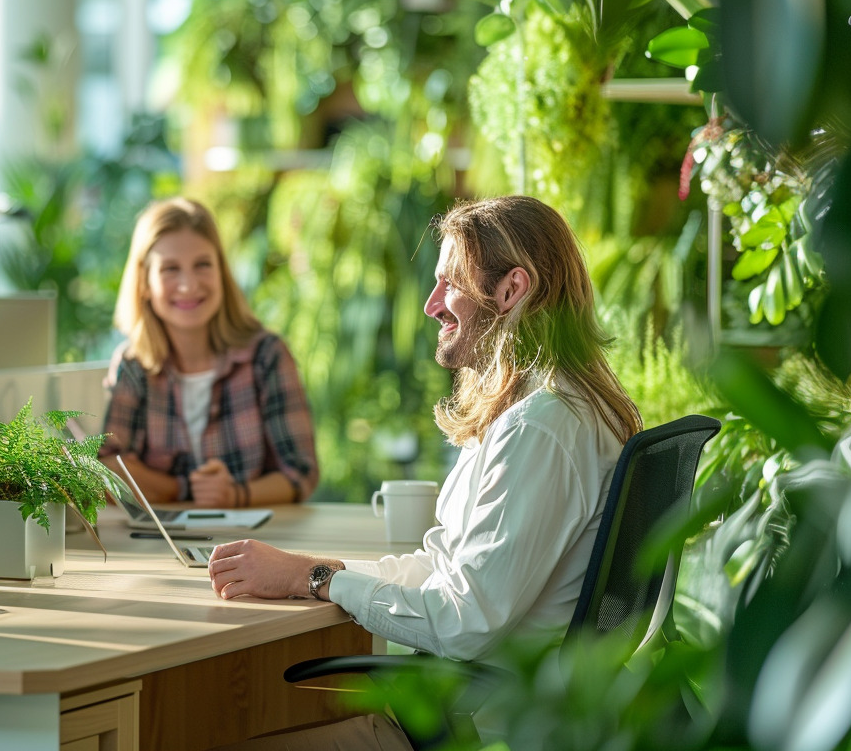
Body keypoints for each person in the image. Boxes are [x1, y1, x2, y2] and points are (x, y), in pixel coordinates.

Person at [206, 195, 642, 750]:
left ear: (512, 290)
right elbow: (446, 565)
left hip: (483, 728)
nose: (432, 304)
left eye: (449, 283)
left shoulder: (542, 426)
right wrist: (316, 568)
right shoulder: (548, 408)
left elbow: (464, 621)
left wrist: (310, 581)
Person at [99, 196, 318, 507]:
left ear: (221, 272)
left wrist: (236, 495)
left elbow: (300, 473)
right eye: (170, 269)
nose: (188, 285)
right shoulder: (133, 366)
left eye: (202, 265)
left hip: (260, 540)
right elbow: (109, 472)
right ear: (144, 282)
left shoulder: (267, 356)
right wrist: (182, 488)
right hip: (160, 544)